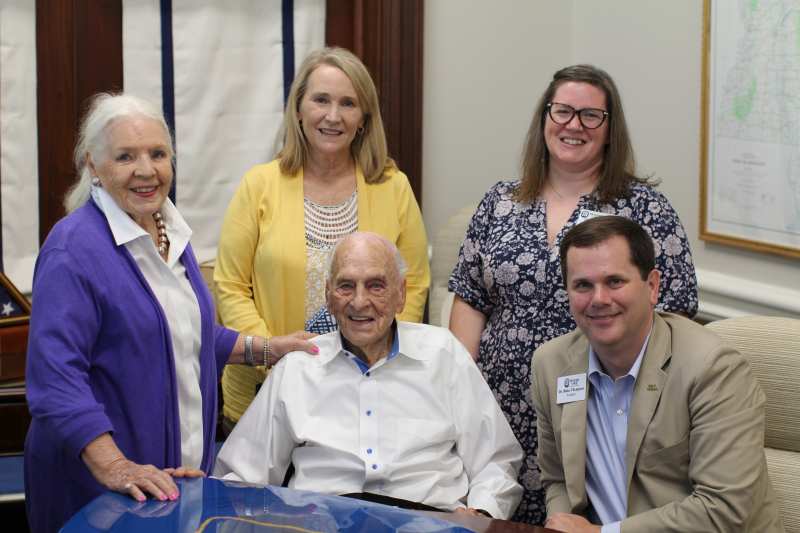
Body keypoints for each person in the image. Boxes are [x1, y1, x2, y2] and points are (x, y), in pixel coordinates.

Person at [24, 93, 316, 533]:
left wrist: (267, 348)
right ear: (94, 166)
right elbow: (55, 382)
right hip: (97, 495)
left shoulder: (169, 230)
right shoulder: (73, 249)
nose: (146, 170)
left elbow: (181, 332)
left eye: (158, 154)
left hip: (170, 486)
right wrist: (116, 466)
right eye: (125, 157)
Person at [447, 64, 698, 524]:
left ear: (609, 129)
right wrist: (461, 396)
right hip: (495, 411)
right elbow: (470, 298)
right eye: (562, 111)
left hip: (596, 410)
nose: (573, 125)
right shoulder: (501, 202)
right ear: (544, 117)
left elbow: (674, 317)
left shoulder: (645, 209)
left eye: (590, 116)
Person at [214, 232, 522, 519]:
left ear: (401, 294)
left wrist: (480, 514)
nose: (359, 301)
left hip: (427, 521)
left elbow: (496, 460)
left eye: (376, 285)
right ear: (328, 295)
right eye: (346, 286)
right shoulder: (298, 367)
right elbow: (240, 475)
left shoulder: (443, 354)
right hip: (323, 521)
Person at [215, 47, 430, 429]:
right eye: (321, 100)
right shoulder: (259, 185)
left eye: (348, 103)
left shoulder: (393, 187)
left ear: (364, 118)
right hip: (264, 393)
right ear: (299, 109)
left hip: (369, 391)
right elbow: (230, 285)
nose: (333, 116)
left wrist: (379, 359)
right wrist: (275, 356)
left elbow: (411, 285)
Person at [531, 216, 783, 532]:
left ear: (652, 287)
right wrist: (561, 523)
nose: (599, 299)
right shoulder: (550, 365)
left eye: (614, 282)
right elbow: (557, 478)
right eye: (583, 285)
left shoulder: (712, 369)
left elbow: (723, 509)